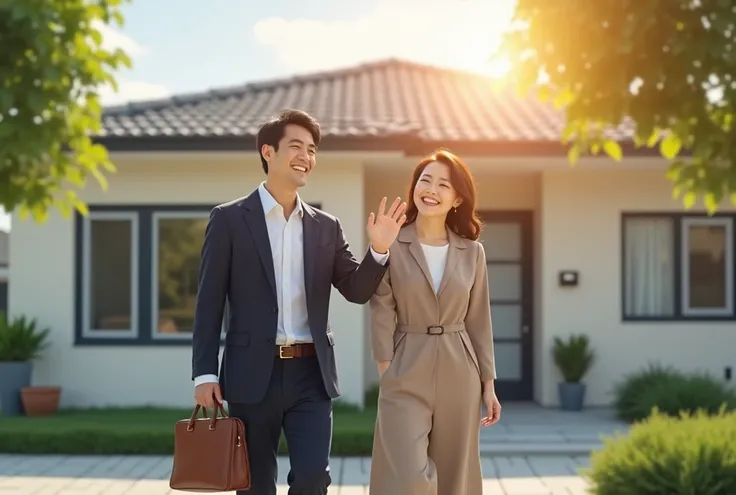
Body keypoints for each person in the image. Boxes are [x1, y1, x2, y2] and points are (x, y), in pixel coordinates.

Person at [191, 109, 407, 495]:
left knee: (312, 479)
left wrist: (378, 249)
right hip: (250, 373)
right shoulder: (228, 220)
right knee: (254, 484)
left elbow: (356, 291)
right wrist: (204, 373)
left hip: (311, 374)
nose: (306, 156)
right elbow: (209, 302)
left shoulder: (327, 226)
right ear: (268, 152)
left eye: (311, 149)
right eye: (296, 146)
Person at [368, 149, 502, 495]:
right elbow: (381, 305)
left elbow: (479, 320)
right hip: (406, 358)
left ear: (457, 198)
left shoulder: (473, 252)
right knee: (408, 476)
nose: (432, 189)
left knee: (454, 474)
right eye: (425, 180)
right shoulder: (393, 242)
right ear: (414, 188)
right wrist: (386, 367)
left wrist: (488, 383)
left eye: (444, 184)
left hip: (460, 366)